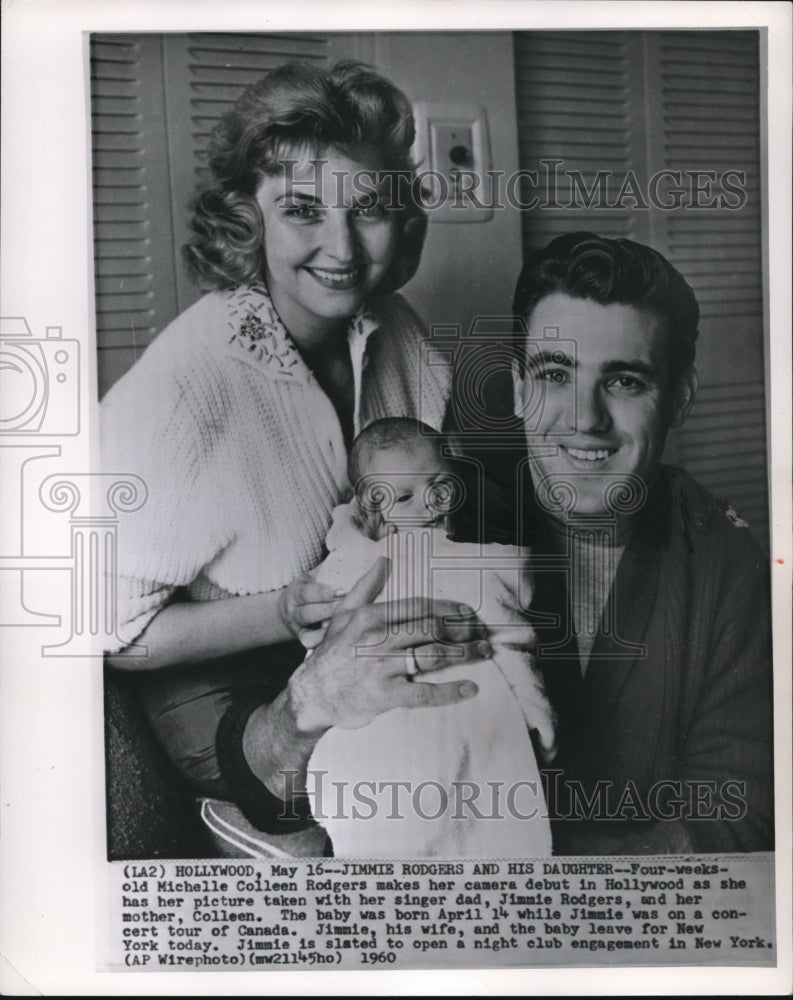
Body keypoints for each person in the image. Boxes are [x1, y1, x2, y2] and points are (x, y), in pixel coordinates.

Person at [102, 60, 486, 858]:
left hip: (351, 630)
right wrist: (282, 610)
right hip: (220, 674)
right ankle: (247, 820)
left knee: (483, 744)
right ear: (251, 219)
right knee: (389, 806)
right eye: (301, 211)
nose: (341, 248)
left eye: (369, 210)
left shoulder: (401, 338)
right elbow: (109, 632)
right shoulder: (185, 388)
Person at [497, 231, 772, 855]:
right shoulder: (442, 523)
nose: (585, 419)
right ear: (517, 389)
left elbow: (741, 817)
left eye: (623, 382)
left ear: (678, 397)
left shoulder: (727, 564)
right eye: (555, 375)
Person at [305, 418, 555, 858]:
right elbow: (322, 632)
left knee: (475, 814)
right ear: (373, 505)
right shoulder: (358, 557)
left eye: (438, 485)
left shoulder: (475, 559)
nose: (428, 506)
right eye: (404, 497)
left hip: (464, 704)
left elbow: (512, 641)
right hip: (383, 709)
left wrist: (537, 712)